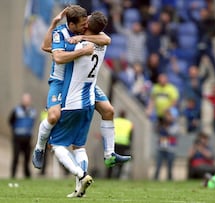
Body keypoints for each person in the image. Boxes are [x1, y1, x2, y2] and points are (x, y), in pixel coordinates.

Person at [32, 6, 130, 170]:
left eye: (87, 22)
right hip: (60, 81)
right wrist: (54, 25)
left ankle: (109, 154)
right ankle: (39, 147)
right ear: (72, 24)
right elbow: (52, 52)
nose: (85, 26)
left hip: (82, 81)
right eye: (82, 24)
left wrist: (82, 38)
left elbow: (107, 40)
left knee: (108, 110)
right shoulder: (61, 33)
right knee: (54, 116)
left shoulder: (84, 34)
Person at [48, 11, 111, 197]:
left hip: (73, 103)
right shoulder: (101, 44)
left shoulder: (77, 45)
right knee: (79, 147)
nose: (84, 23)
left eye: (86, 21)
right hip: (90, 102)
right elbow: (106, 39)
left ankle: (81, 175)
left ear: (87, 25)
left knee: (56, 145)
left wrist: (56, 33)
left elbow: (56, 55)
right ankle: (80, 190)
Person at [8, 93, 37, 179]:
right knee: (16, 157)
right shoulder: (16, 110)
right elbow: (10, 121)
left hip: (27, 138)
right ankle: (13, 176)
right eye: (25, 99)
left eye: (28, 99)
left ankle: (27, 176)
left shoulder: (32, 111)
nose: (26, 101)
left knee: (27, 158)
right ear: (22, 100)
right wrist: (14, 131)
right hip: (17, 138)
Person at [107, 110, 133, 179]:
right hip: (124, 144)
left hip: (114, 143)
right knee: (121, 160)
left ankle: (109, 175)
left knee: (111, 159)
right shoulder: (129, 123)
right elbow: (131, 135)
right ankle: (118, 175)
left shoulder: (114, 121)